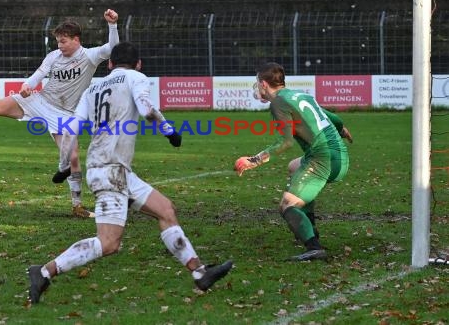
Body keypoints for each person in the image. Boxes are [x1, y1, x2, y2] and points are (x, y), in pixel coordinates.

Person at [27, 41, 233, 304]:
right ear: (138, 64)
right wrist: (169, 131)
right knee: (109, 243)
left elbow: (71, 129)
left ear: (110, 64)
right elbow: (147, 109)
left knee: (166, 210)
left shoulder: (92, 87)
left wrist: (63, 166)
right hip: (110, 171)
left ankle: (199, 273)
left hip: (111, 169)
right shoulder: (136, 77)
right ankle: (44, 271)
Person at [0, 9, 120, 218]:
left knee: (72, 158)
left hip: (65, 114)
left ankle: (77, 206)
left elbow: (112, 48)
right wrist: (28, 86)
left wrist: (113, 25)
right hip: (40, 101)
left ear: (76, 39)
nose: (60, 45)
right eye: (57, 41)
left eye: (63, 41)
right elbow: (38, 75)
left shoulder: (90, 56)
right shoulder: (53, 56)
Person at [234, 62, 353, 261]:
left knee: (286, 205)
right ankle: (309, 226)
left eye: (258, 82)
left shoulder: (278, 103)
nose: (257, 87)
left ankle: (313, 246)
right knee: (293, 167)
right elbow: (332, 117)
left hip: (322, 159)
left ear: (264, 84)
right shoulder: (300, 95)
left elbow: (286, 142)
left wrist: (254, 160)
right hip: (338, 155)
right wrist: (341, 130)